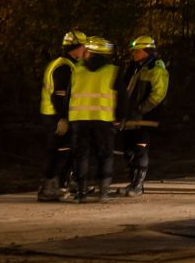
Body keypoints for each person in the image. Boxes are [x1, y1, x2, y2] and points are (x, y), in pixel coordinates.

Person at [116, 36, 170, 196]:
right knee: (128, 151)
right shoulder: (134, 68)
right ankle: (133, 182)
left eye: (137, 50)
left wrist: (140, 109)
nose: (133, 53)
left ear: (146, 51)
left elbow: (157, 95)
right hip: (130, 117)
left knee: (140, 149)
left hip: (145, 118)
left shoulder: (157, 69)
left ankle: (137, 185)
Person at [68, 36, 120, 202]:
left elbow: (67, 96)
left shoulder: (76, 69)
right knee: (105, 155)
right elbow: (122, 98)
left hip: (78, 120)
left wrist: (65, 116)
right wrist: (119, 118)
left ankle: (81, 192)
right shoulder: (113, 71)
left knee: (80, 156)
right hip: (104, 120)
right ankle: (103, 192)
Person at [38, 31, 83, 202]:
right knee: (59, 151)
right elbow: (60, 95)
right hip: (55, 116)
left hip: (53, 114)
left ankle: (61, 183)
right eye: (83, 47)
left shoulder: (64, 64)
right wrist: (63, 118)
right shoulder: (64, 67)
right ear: (76, 48)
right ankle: (49, 187)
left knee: (63, 150)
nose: (86, 51)